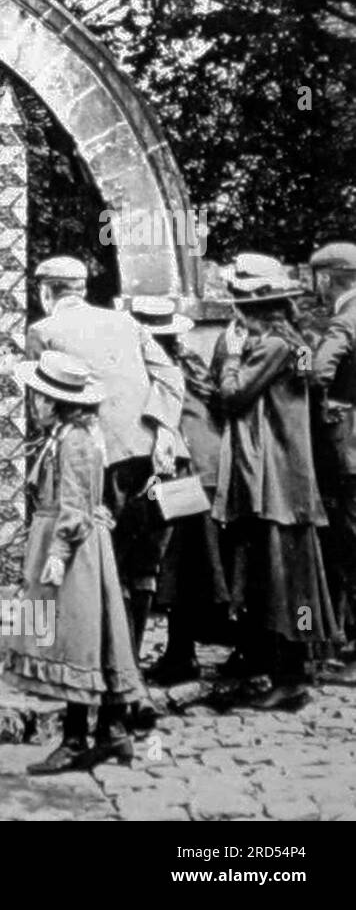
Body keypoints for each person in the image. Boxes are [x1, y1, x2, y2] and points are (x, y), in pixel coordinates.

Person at [26, 256, 185, 728]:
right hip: (150, 462)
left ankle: (99, 705)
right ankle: (129, 691)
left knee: (92, 580)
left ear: (46, 291)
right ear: (82, 287)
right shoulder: (125, 321)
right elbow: (171, 377)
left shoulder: (44, 331)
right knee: (141, 577)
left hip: (97, 468)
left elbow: (45, 406)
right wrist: (160, 431)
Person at [3, 350, 143, 774]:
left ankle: (78, 739)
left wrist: (58, 555)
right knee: (89, 639)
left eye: (39, 398)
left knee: (75, 641)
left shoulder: (76, 441)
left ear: (56, 402)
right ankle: (112, 731)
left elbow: (75, 509)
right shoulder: (65, 436)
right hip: (71, 543)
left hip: (75, 551)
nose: (34, 405)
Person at [213, 254, 342, 710]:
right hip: (291, 476)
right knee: (294, 577)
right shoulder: (298, 341)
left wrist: (230, 356)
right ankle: (291, 665)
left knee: (285, 579)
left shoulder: (272, 347)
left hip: (276, 480)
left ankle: (293, 674)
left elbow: (233, 395)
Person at [132, 296, 232, 684]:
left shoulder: (151, 368)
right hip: (207, 469)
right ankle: (180, 652)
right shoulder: (189, 361)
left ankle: (179, 656)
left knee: (171, 565)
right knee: (190, 567)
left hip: (182, 472)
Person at [305, 241, 356, 654]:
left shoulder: (344, 321)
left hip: (346, 448)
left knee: (346, 540)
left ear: (328, 278)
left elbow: (318, 371)